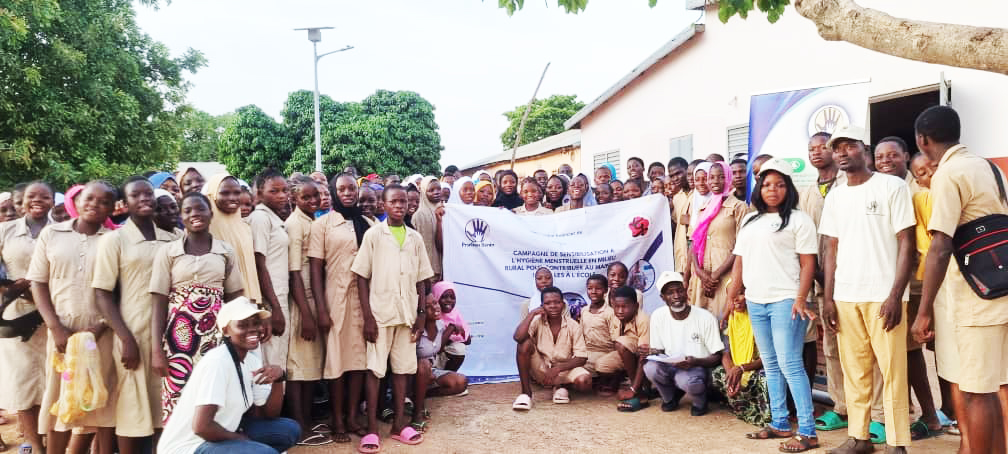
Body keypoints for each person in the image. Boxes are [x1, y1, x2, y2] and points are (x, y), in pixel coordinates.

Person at [911, 105, 1008, 454]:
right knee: (997, 387)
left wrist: (923, 312)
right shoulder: (990, 168)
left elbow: (939, 246)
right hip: (1001, 285)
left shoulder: (948, 175)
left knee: (976, 393)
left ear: (923, 140)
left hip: (975, 298)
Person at [820, 125, 915, 454]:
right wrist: (829, 298)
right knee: (855, 371)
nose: (843, 152)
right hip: (846, 295)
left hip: (883, 296)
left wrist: (895, 294)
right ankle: (859, 437)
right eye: (838, 148)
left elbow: (907, 242)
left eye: (850, 146)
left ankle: (897, 441)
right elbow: (830, 249)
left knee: (892, 372)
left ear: (865, 148)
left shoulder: (891, 186)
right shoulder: (835, 195)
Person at [727, 159, 820, 452]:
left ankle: (807, 431)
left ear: (788, 188)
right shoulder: (749, 220)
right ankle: (779, 423)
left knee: (790, 363)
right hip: (756, 300)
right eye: (767, 184)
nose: (773, 189)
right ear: (759, 188)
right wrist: (733, 293)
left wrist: (801, 298)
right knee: (770, 364)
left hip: (786, 301)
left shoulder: (799, 220)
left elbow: (808, 264)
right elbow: (740, 260)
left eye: (780, 184)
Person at [29, 181, 118, 454]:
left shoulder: (114, 240)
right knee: (59, 399)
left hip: (100, 334)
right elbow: (38, 283)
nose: (95, 205)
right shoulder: (51, 234)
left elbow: (121, 289)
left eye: (104, 202)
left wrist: (102, 326)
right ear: (76, 202)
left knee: (101, 401)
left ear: (112, 209)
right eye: (89, 199)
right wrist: (55, 327)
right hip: (61, 333)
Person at [93, 177, 176, 453]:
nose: (144, 199)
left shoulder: (172, 237)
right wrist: (125, 338)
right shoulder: (114, 240)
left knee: (165, 402)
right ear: (124, 203)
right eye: (135, 195)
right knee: (132, 404)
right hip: (133, 330)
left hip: (172, 330)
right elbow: (103, 294)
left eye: (148, 194)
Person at [156, 297, 299, 454]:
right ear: (225, 331)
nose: (253, 329)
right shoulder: (218, 361)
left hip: (217, 438)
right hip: (190, 446)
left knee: (289, 430)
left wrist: (279, 379)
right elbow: (201, 427)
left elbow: (268, 414)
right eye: (243, 325)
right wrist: (240, 440)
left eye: (256, 323)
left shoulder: (251, 360)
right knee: (264, 452)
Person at [350, 184, 433, 451]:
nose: (399, 206)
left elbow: (422, 279)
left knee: (403, 370)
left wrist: (421, 314)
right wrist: (368, 317)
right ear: (383, 206)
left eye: (403, 202)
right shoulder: (374, 235)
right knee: (375, 370)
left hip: (407, 315)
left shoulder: (415, 238)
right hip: (381, 313)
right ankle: (372, 429)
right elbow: (361, 277)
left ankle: (399, 424)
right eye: (393, 202)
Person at [151, 192, 246, 422]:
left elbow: (234, 299)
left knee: (212, 392)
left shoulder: (225, 251)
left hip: (214, 336)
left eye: (200, 209)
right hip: (177, 339)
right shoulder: (168, 252)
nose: (195, 214)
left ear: (210, 214)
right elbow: (159, 302)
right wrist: (156, 349)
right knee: (178, 395)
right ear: (181, 217)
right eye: (188, 210)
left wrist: (235, 341)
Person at [873, 137, 943, 440]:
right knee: (906, 351)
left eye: (893, 155)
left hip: (919, 284)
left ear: (905, 157)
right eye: (880, 156)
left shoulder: (916, 192)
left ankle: (935, 414)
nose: (886, 161)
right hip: (894, 283)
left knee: (918, 351)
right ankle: (927, 414)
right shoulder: (880, 188)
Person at [308, 173, 370, 441]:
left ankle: (353, 416)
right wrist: (321, 309)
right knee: (336, 362)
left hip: (364, 302)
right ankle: (336, 418)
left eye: (351, 188)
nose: (348, 193)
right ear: (333, 193)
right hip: (335, 299)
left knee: (358, 362)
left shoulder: (367, 223)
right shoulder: (322, 225)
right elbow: (314, 270)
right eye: (341, 189)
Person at [0, 181, 53, 454]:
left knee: (51, 379)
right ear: (23, 201)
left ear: (53, 200)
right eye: (32, 196)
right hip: (17, 316)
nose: (38, 200)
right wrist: (9, 287)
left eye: (44, 196)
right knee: (23, 380)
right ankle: (33, 442)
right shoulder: (5, 230)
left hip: (55, 316)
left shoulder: (62, 231)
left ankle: (52, 440)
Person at [282, 176, 330, 445]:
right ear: (294, 199)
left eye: (316, 197)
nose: (313, 201)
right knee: (299, 367)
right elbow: (294, 273)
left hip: (316, 298)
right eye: (306, 197)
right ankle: (299, 423)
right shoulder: (294, 225)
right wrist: (307, 314)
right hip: (304, 301)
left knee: (312, 365)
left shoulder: (314, 221)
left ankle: (308, 419)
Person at [643, 270, 724, 416]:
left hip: (697, 368)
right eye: (670, 293)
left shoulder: (705, 317)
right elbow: (659, 351)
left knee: (687, 380)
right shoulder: (658, 316)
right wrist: (649, 353)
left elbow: (717, 356)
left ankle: (700, 401)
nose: (676, 296)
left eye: (679, 290)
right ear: (663, 297)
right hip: (671, 365)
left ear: (685, 291)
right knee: (650, 368)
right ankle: (670, 398)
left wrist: (695, 361)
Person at [511, 286, 592, 411]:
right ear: (542, 305)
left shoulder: (573, 325)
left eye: (557, 302)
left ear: (563, 304)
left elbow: (581, 358)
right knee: (524, 344)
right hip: (542, 369)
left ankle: (561, 387)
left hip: (564, 370)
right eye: (548, 303)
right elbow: (518, 337)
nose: (553, 306)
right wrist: (532, 314)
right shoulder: (537, 321)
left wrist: (558, 369)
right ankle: (526, 394)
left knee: (584, 382)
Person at [688, 162, 746, 321]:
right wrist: (700, 273)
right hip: (703, 278)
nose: (715, 181)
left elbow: (742, 246)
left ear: (728, 178)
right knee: (703, 327)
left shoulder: (738, 207)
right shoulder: (703, 208)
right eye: (711, 177)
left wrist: (715, 275)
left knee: (724, 324)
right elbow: (694, 242)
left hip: (726, 276)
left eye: (721, 177)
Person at [248, 170, 290, 368]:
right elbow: (259, 263)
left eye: (284, 190)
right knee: (271, 362)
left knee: (278, 359)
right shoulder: (260, 219)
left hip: (280, 294)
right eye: (274, 191)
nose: (282, 195)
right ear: (260, 193)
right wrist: (274, 308)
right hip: (271, 298)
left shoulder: (273, 218)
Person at [711, 296, 771, 428]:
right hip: (738, 367)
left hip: (757, 366)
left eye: (741, 294)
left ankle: (764, 416)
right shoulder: (728, 319)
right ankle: (741, 408)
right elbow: (726, 354)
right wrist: (732, 373)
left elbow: (767, 358)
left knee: (766, 379)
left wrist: (742, 369)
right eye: (732, 295)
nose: (736, 299)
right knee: (717, 374)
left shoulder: (760, 318)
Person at [205, 174, 262, 306]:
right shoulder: (208, 228)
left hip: (250, 301)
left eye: (237, 193)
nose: (232, 198)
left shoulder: (244, 227)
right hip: (222, 302)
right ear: (213, 195)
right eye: (225, 193)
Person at [609, 287, 650, 413]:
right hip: (628, 353)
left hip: (646, 358)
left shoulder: (643, 320)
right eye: (616, 306)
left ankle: (639, 391)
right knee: (602, 365)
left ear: (636, 306)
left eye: (625, 307)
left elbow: (645, 356)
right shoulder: (614, 317)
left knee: (622, 344)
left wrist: (633, 389)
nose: (620, 311)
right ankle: (628, 385)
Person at [579, 274, 615, 384]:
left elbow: (615, 339)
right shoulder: (584, 310)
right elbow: (581, 335)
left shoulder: (610, 312)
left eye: (598, 288)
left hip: (605, 352)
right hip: (586, 352)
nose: (593, 291)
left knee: (581, 368)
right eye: (590, 288)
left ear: (605, 290)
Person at [432, 281, 470, 371]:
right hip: (432, 359)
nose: (449, 300)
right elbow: (438, 347)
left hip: (444, 356)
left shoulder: (455, 314)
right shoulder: (432, 315)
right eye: (444, 297)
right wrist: (451, 328)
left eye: (452, 297)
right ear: (436, 297)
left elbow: (468, 340)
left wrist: (449, 337)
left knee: (459, 348)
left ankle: (448, 375)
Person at [412, 176, 444, 282]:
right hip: (428, 270)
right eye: (431, 190)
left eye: (439, 189)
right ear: (424, 192)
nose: (436, 192)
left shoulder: (445, 210)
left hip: (444, 266)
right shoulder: (419, 215)